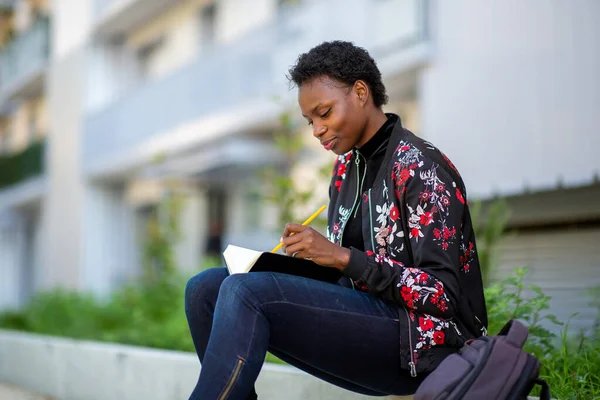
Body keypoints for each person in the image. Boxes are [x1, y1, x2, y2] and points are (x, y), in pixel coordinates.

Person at [184, 40, 488, 399]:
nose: (316, 129)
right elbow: (353, 279)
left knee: (244, 291)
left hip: (426, 345)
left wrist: (341, 257)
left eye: (324, 113)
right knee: (205, 288)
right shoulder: (346, 169)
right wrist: (305, 264)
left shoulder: (421, 168)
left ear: (361, 92)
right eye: (310, 120)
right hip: (369, 322)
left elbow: (443, 296)